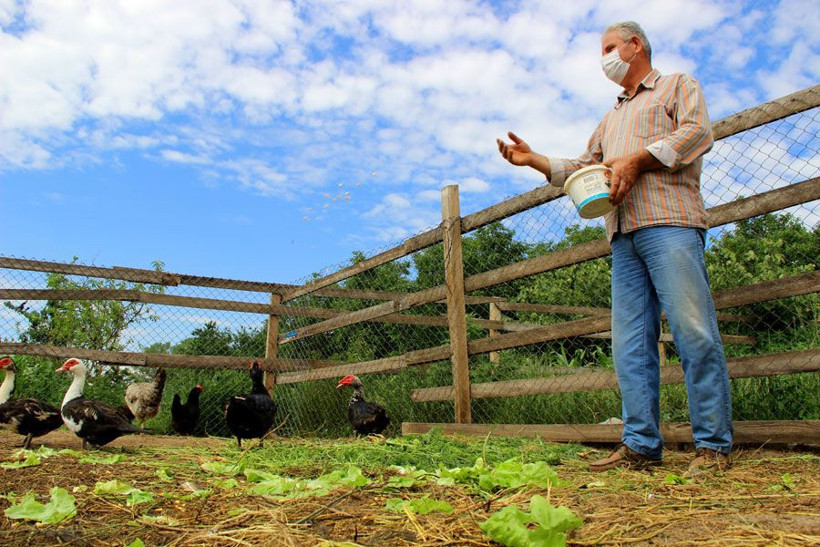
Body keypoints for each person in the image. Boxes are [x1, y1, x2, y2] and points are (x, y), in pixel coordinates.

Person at [497, 21, 732, 477]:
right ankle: (641, 445)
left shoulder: (675, 86)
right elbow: (585, 167)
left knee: (693, 331)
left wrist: (639, 159)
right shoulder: (611, 117)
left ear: (635, 45)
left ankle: (713, 446)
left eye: (609, 47)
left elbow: (698, 133)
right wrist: (535, 159)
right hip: (622, 235)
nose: (603, 57)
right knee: (630, 345)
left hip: (670, 223)